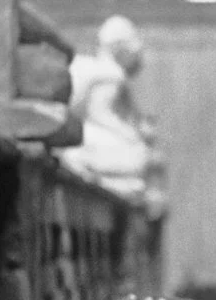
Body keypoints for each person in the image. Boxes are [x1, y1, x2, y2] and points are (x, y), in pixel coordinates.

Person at [58, 16, 153, 202]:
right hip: (86, 134)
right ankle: (81, 162)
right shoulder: (112, 74)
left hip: (81, 131)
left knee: (140, 156)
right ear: (121, 48)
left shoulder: (103, 70)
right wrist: (131, 135)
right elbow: (99, 114)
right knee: (139, 157)